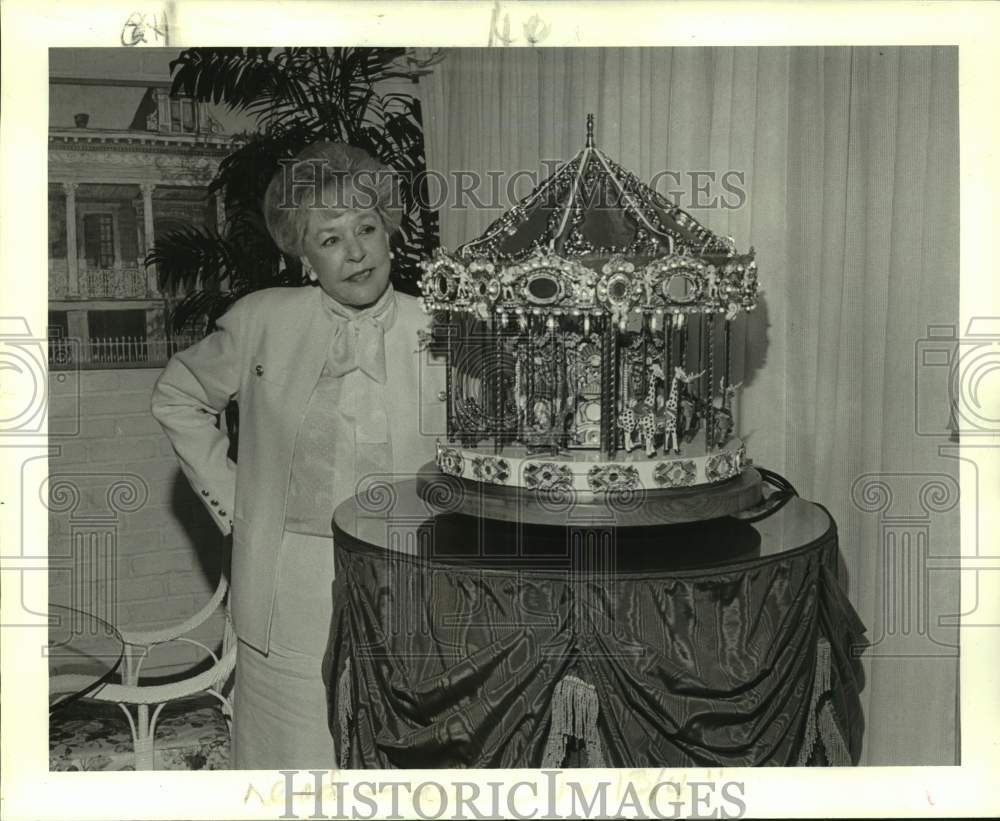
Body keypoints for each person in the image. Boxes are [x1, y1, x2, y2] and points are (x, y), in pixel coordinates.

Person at [151, 141, 445, 769]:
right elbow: (178, 395)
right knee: (294, 765)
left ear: (390, 234)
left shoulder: (440, 330)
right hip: (292, 588)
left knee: (403, 765)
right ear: (306, 260)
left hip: (412, 586)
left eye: (366, 228)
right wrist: (239, 505)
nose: (356, 251)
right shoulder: (261, 320)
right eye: (330, 239)